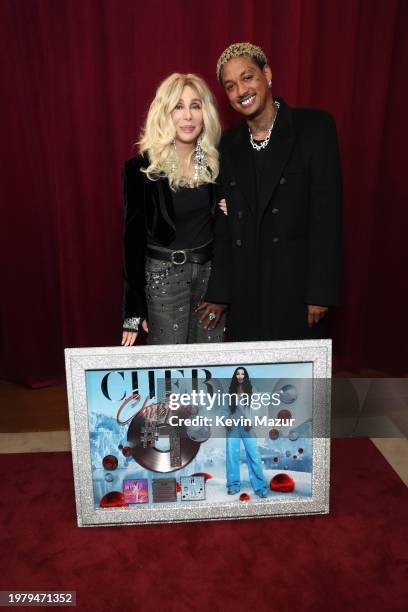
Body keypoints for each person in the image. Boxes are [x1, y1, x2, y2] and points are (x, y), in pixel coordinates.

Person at [201, 42, 342, 341]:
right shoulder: (227, 145)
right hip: (246, 292)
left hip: (297, 290)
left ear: (267, 74)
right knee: (250, 384)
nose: (241, 90)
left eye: (247, 77)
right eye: (230, 86)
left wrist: (320, 291)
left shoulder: (314, 128)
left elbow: (327, 216)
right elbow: (226, 228)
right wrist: (221, 292)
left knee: (297, 386)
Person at [121, 73, 226, 346]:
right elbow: (132, 242)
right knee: (169, 370)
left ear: (206, 113)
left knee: (211, 363)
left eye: (195, 105)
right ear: (164, 113)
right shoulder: (141, 169)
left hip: (211, 278)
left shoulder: (220, 164)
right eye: (178, 106)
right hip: (163, 278)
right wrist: (133, 311)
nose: (188, 116)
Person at [225, 367, 268, 498]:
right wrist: (227, 421)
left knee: (253, 455)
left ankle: (260, 487)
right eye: (238, 373)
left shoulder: (252, 389)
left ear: (246, 375)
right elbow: (225, 408)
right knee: (232, 456)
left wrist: (251, 421)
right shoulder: (231, 390)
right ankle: (233, 485)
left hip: (247, 426)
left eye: (242, 373)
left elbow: (258, 408)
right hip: (233, 427)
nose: (240, 376)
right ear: (235, 376)